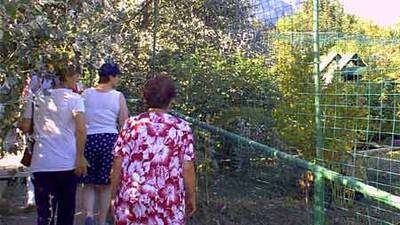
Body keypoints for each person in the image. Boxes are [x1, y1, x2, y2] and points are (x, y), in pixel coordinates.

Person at [110, 75, 197, 225]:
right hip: (168, 203)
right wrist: (191, 197)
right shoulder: (181, 128)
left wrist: (113, 195)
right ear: (171, 99)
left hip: (132, 199)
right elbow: (187, 167)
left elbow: (118, 161)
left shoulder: (131, 124)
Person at [20, 63, 88, 225]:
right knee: (66, 212)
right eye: (76, 76)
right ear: (68, 77)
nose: (78, 80)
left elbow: (24, 126)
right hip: (67, 163)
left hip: (42, 161)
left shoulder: (37, 97)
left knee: (45, 214)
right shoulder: (75, 99)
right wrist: (80, 158)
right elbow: (80, 129)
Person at [80, 62, 129, 225]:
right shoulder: (118, 96)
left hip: (90, 139)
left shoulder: (86, 93)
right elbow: (124, 122)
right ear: (112, 77)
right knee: (106, 184)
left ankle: (88, 215)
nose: (118, 79)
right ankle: (101, 221)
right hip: (109, 140)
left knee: (89, 182)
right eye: (117, 76)